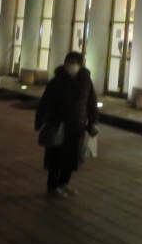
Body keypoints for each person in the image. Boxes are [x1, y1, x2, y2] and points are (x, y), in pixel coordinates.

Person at [34, 51, 98, 198]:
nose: (70, 65)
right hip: (58, 125)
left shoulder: (86, 82)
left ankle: (64, 183)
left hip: (77, 126)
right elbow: (45, 102)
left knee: (72, 157)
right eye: (68, 62)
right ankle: (52, 187)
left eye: (74, 63)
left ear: (80, 65)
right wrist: (40, 120)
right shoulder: (56, 82)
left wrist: (93, 121)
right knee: (56, 157)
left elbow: (92, 103)